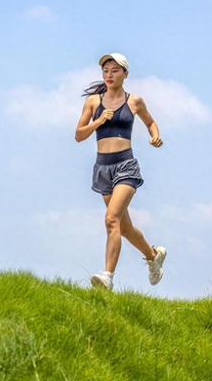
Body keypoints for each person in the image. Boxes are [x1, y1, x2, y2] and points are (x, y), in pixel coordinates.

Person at [74, 53, 166, 291]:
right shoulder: (93, 102)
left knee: (111, 219)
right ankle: (153, 256)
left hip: (126, 166)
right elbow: (79, 135)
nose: (109, 75)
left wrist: (155, 136)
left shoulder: (134, 101)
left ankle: (107, 275)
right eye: (105, 71)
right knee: (123, 228)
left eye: (114, 70)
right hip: (102, 168)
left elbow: (150, 122)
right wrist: (97, 122)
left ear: (125, 74)